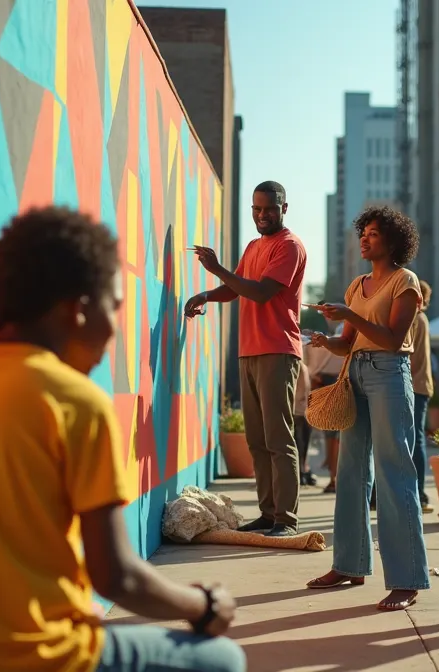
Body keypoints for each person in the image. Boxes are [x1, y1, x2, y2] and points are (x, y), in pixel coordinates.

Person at [0, 207, 245, 672]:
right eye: (114, 306)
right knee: (222, 658)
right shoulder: (75, 402)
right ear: (79, 309)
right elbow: (118, 578)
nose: (113, 331)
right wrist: (204, 604)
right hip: (35, 660)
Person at [306, 205, 430, 611]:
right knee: (350, 471)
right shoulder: (356, 285)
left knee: (394, 473)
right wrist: (327, 340)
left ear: (393, 241)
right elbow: (349, 343)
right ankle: (349, 564)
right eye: (364, 232)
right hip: (355, 373)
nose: (365, 238)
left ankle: (407, 580)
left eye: (374, 233)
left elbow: (393, 339)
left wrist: (350, 318)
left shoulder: (404, 281)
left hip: (389, 375)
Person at [185, 181, 307, 537]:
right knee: (256, 439)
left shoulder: (289, 247)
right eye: (256, 209)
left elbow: (261, 293)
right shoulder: (255, 246)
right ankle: (268, 515)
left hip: (278, 351)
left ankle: (286, 519)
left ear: (284, 208)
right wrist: (208, 293)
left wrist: (218, 269)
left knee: (278, 439)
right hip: (249, 351)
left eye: (269, 208)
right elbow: (237, 286)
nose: (262, 214)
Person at [306, 323, 345, 493]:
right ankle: (335, 477)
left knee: (333, 436)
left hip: (332, 386)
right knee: (335, 436)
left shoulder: (326, 345)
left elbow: (313, 371)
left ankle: (334, 478)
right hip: (340, 385)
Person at [410, 280, 436, 512]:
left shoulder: (414, 319)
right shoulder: (422, 319)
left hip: (412, 385)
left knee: (414, 439)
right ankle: (418, 492)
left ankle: (418, 492)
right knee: (414, 438)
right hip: (421, 385)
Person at [294, 361, 317, 486]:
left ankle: (302, 471)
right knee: (301, 445)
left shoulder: (300, 367)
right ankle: (302, 471)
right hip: (300, 412)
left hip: (297, 412)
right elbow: (306, 392)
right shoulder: (302, 367)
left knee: (299, 445)